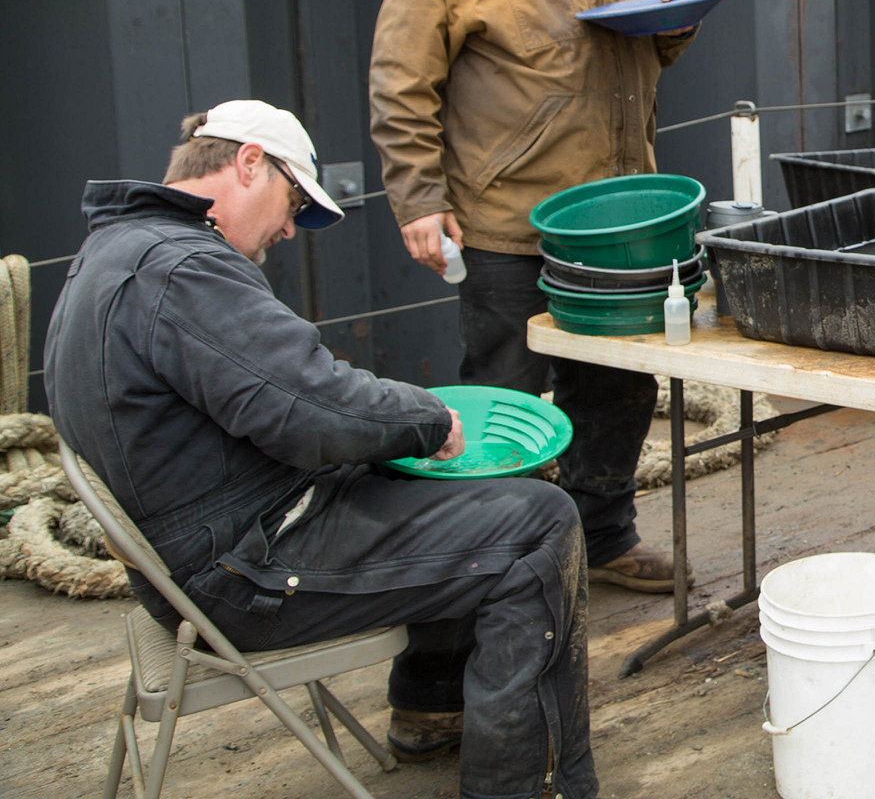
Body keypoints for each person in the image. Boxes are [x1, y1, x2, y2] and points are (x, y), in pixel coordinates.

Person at [43, 101, 603, 799]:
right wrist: (428, 419)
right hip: (242, 569)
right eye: (292, 203)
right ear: (249, 161)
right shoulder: (182, 268)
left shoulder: (114, 250)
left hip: (190, 559)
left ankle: (431, 704)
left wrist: (388, 422)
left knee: (451, 497)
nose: (287, 228)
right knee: (538, 526)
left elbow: (288, 397)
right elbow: (309, 410)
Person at [369, 0, 697, 602]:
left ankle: (605, 537)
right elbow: (403, 72)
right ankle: (490, 563)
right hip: (508, 217)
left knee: (619, 385)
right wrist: (416, 196)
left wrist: (673, 19)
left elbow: (652, 36)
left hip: (617, 216)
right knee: (503, 393)